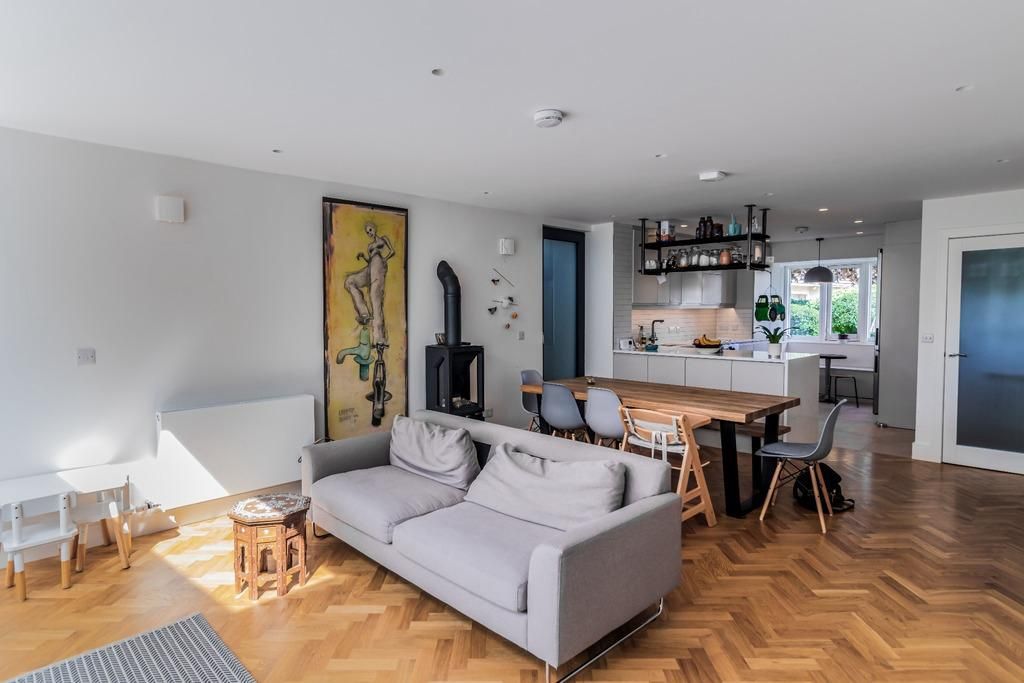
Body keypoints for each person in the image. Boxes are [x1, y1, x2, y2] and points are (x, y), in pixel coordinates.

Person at [344, 221, 395, 344]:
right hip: (371, 267)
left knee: (374, 296)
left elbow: (392, 251)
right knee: (349, 281)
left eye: (370, 230)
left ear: (374, 228)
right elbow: (370, 261)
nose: (369, 233)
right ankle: (364, 313)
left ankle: (379, 338)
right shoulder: (369, 246)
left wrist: (384, 260)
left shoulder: (383, 239)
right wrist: (364, 257)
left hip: (379, 266)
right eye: (367, 232)